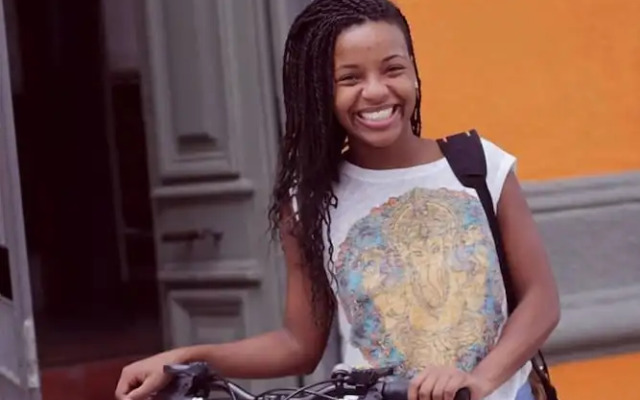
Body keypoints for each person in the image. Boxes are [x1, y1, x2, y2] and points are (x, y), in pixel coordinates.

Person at [114, 1, 560, 399]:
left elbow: (541, 299)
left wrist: (479, 382)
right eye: (350, 78)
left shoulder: (479, 166)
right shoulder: (310, 202)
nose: (376, 91)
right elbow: (299, 344)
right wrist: (187, 357)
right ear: (319, 92)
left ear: (413, 72)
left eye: (392, 69)